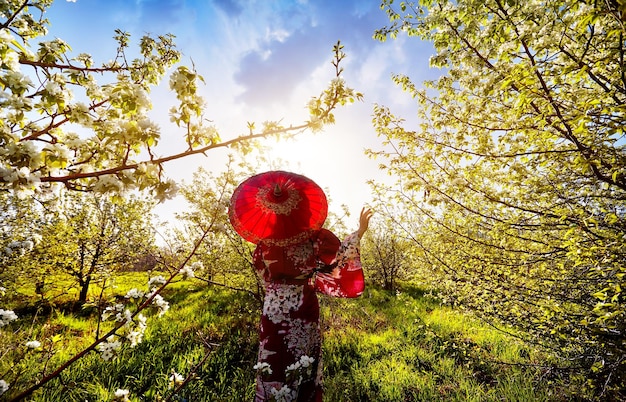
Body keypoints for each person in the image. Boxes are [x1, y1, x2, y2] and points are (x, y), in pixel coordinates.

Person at [228, 171, 372, 402]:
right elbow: (336, 265)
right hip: (302, 300)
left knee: (274, 355)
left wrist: (278, 289)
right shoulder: (315, 238)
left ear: (268, 211)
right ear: (301, 208)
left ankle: (271, 396)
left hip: (273, 303)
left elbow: (263, 274)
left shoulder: (263, 246)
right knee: (301, 354)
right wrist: (358, 234)